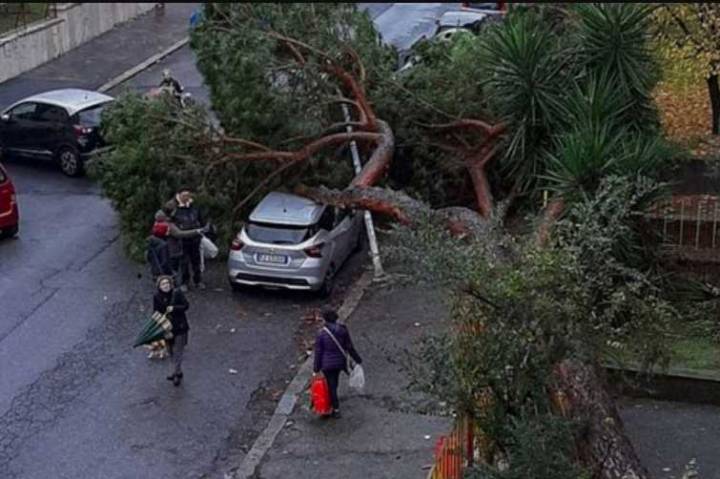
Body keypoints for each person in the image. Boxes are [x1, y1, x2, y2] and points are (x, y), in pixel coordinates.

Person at [312, 307, 362, 418]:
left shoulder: (321, 334)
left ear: (325, 319)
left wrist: (316, 369)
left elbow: (318, 353)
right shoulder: (342, 330)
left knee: (331, 385)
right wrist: (358, 359)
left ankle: (334, 408)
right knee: (335, 382)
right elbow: (349, 346)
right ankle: (335, 406)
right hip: (340, 361)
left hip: (327, 364)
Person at [156, 207, 206, 292]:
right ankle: (179, 284)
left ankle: (185, 282)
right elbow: (180, 234)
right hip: (178, 246)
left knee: (191, 263)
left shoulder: (165, 222)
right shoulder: (169, 224)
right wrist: (196, 231)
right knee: (182, 264)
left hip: (180, 246)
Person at [165, 188, 207, 291]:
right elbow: (169, 221)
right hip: (181, 239)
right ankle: (185, 282)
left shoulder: (194, 207)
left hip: (194, 238)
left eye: (188, 195)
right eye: (184, 195)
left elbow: (201, 219)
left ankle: (198, 280)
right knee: (184, 262)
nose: (186, 198)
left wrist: (202, 230)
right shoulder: (173, 207)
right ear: (179, 195)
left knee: (196, 261)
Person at [153, 275, 190, 387]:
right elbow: (156, 312)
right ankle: (178, 370)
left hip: (180, 327)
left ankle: (176, 374)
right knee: (170, 351)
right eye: (163, 284)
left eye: (167, 283)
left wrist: (174, 309)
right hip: (167, 328)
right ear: (159, 286)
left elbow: (186, 306)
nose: (166, 286)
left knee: (178, 351)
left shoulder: (177, 293)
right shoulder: (157, 297)